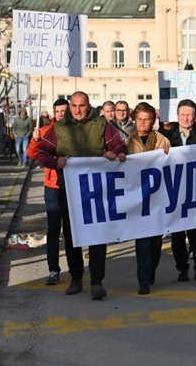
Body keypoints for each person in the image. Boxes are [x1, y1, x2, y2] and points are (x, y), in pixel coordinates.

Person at [37, 91, 127, 300]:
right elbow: (43, 153)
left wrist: (117, 152)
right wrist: (55, 162)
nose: (78, 110)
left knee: (97, 235)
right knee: (72, 235)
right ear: (70, 107)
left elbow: (118, 145)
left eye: (82, 105)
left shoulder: (102, 125)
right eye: (74, 106)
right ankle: (76, 278)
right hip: (68, 190)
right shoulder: (58, 129)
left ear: (89, 106)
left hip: (96, 189)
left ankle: (97, 281)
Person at [125, 102, 171, 295]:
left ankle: (150, 271)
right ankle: (143, 279)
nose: (142, 123)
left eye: (146, 119)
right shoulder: (127, 142)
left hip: (158, 197)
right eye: (139, 119)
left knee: (155, 241)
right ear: (134, 120)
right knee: (142, 239)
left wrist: (170, 155)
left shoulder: (163, 140)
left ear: (152, 121)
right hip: (138, 198)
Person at [167, 99, 196, 284]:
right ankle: (182, 268)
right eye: (183, 115)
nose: (186, 118)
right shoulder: (167, 138)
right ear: (177, 116)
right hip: (175, 191)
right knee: (178, 235)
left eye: (190, 115)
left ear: (195, 116)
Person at [27, 98, 69, 286]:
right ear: (53, 113)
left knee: (72, 229)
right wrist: (36, 140)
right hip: (52, 186)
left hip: (72, 185)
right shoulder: (45, 132)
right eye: (58, 111)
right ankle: (53, 269)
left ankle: (75, 269)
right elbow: (32, 154)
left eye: (63, 111)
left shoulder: (75, 131)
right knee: (53, 229)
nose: (61, 114)